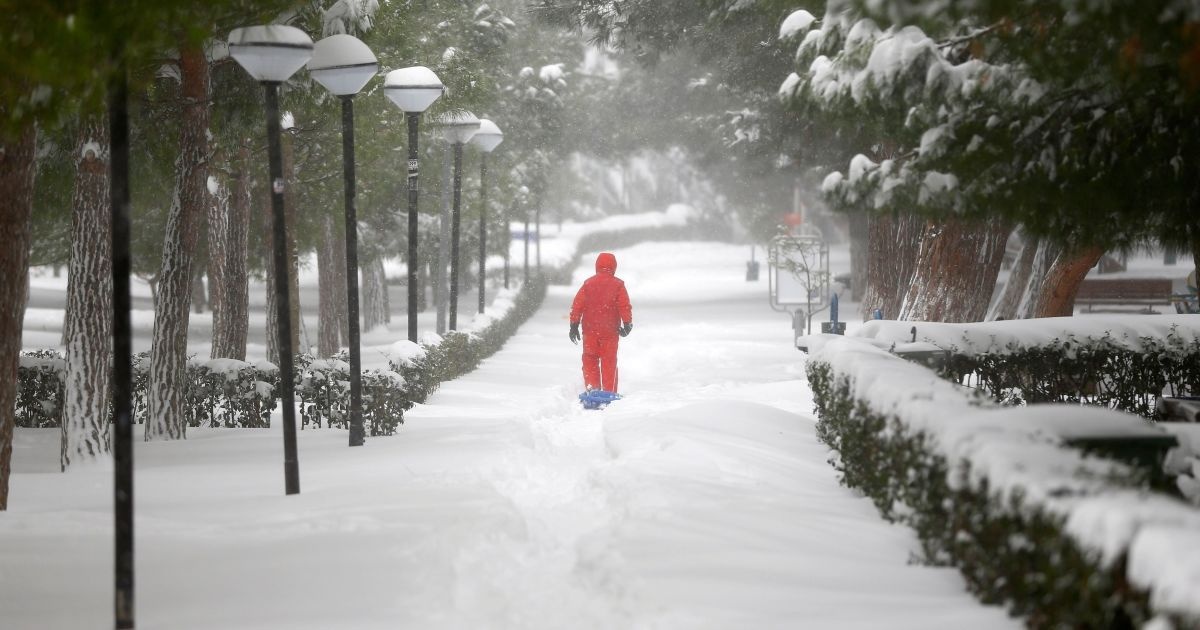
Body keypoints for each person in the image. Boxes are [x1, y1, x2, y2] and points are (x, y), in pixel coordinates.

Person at [569, 252, 633, 393]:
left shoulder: (588, 284)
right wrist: (627, 323)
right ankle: (609, 391)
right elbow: (624, 305)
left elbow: (577, 305)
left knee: (590, 359)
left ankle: (593, 389)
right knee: (609, 361)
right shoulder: (618, 285)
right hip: (610, 331)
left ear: (597, 266)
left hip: (590, 330)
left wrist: (574, 325)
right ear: (614, 267)